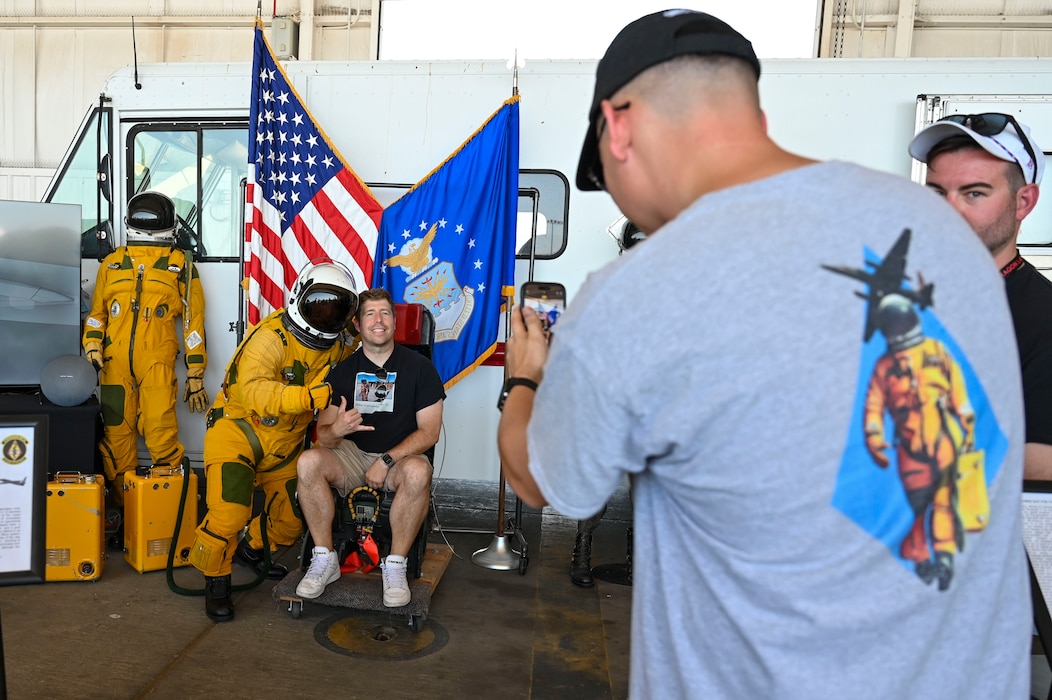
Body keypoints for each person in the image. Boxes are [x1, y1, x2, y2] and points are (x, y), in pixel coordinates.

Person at [496, 10, 1029, 697]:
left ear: (618, 126)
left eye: (603, 173)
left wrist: (525, 380)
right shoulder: (940, 231)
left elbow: (545, 482)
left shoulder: (644, 288)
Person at [188, 261, 357, 622]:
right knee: (229, 513)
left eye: (336, 310)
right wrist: (305, 398)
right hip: (238, 432)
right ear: (299, 298)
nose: (326, 317)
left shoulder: (338, 347)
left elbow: (363, 356)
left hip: (284, 446)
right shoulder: (271, 337)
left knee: (294, 518)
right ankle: (216, 580)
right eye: (319, 306)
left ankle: (251, 547)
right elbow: (252, 391)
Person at [909, 113, 1052, 480]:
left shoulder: (1042, 317)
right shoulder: (902, 297)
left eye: (974, 193)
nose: (949, 210)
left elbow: (1042, 462)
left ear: (1024, 203)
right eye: (937, 193)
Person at [296, 288, 444, 607]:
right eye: (370, 314)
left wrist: (387, 460)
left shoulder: (420, 369)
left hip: (398, 460)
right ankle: (325, 558)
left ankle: (395, 565)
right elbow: (324, 437)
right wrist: (338, 428)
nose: (378, 321)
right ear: (359, 325)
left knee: (419, 471)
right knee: (308, 462)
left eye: (385, 313)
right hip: (352, 455)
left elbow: (430, 433)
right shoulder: (343, 372)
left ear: (394, 321)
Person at [82, 191, 208, 510]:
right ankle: (129, 511)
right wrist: (92, 345)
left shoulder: (180, 265)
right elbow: (97, 314)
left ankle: (169, 512)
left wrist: (196, 374)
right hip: (113, 367)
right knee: (115, 441)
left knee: (161, 434)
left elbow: (194, 323)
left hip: (156, 365)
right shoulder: (112, 264)